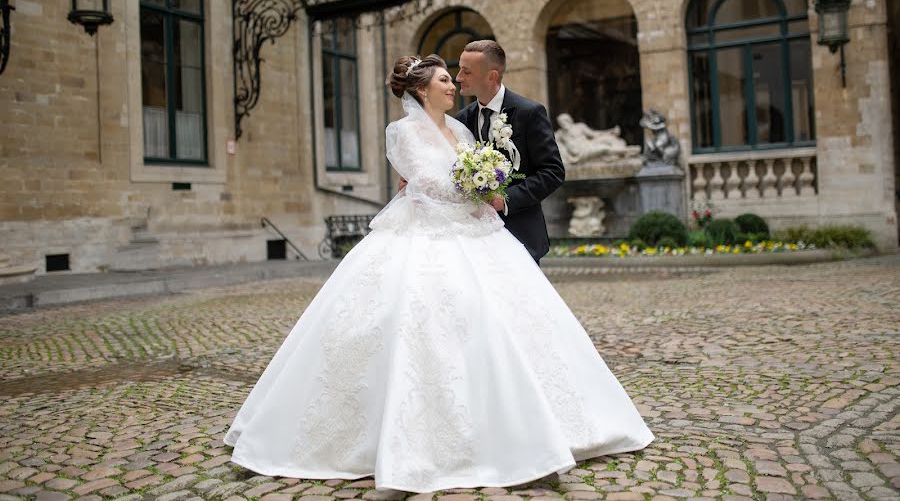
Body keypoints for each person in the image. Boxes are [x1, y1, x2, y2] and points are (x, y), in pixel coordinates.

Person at [223, 54, 654, 493]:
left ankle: (538, 422)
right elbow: (424, 181)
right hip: (425, 233)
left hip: (478, 231)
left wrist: (486, 182)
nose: (454, 86)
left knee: (507, 321)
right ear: (422, 90)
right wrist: (473, 182)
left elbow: (481, 172)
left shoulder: (462, 128)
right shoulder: (403, 131)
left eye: (456, 78)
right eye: (446, 80)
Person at [454, 40, 564, 264]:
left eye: (466, 71)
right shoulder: (461, 120)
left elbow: (553, 172)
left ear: (491, 76)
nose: (458, 77)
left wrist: (505, 199)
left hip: (521, 235)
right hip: (474, 239)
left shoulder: (530, 113)